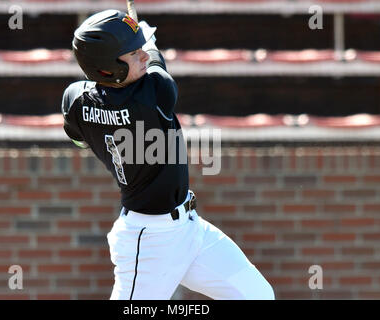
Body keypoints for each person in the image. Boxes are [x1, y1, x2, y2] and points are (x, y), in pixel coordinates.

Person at [61, 9, 274, 300]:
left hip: (190, 229)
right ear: (107, 68)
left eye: (139, 50)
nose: (144, 57)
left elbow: (80, 141)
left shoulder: (75, 100)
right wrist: (149, 42)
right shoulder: (154, 92)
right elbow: (158, 62)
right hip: (149, 239)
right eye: (133, 53)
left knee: (257, 295)